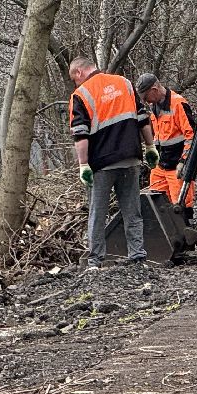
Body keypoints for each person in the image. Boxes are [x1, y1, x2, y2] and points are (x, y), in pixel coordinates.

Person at [69, 58, 159, 270]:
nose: (76, 84)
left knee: (97, 214)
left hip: (102, 163)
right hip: (130, 157)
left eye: (75, 79)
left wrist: (83, 165)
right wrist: (150, 147)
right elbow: (142, 118)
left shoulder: (81, 95)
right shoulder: (124, 83)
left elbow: (80, 134)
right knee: (132, 211)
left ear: (80, 72)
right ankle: (137, 257)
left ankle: (95, 262)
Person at [136, 73, 195, 221]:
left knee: (181, 208)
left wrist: (184, 161)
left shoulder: (178, 104)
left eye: (146, 96)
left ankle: (185, 240)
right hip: (160, 166)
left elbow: (192, 136)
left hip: (177, 167)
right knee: (157, 205)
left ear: (154, 90)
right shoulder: (154, 107)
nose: (146, 101)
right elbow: (158, 136)